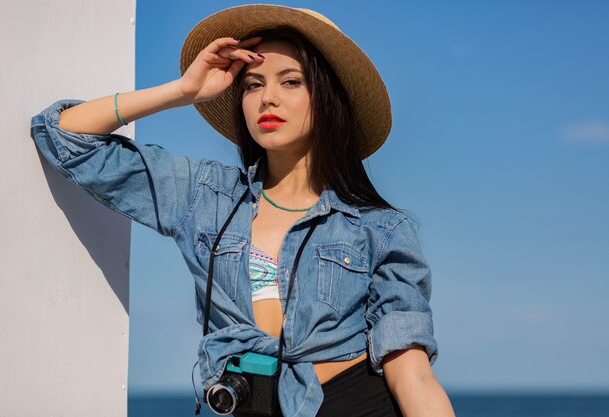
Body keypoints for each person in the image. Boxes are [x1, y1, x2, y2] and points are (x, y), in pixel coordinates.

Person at [30, 4, 455, 417]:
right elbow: (62, 135)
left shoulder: (379, 228)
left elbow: (411, 375)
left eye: (290, 82)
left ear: (324, 98)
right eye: (253, 84)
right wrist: (183, 91)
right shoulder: (205, 196)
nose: (267, 98)